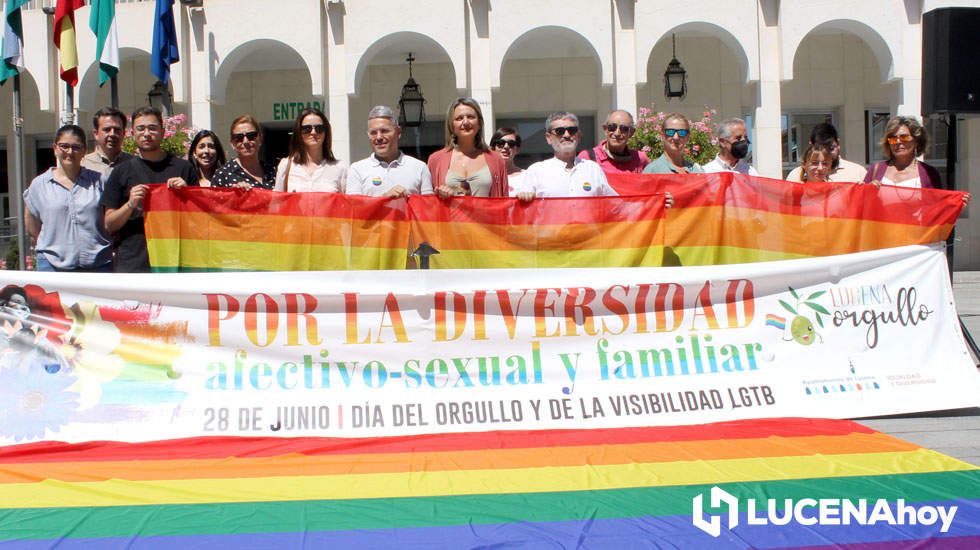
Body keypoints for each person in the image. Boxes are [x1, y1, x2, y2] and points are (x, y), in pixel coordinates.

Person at [101, 106, 197, 273]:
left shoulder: (184, 169)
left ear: (163, 131)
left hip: (174, 262)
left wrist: (187, 195)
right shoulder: (120, 172)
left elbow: (198, 221)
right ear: (132, 133)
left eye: (152, 128)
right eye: (140, 128)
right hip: (133, 264)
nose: (146, 133)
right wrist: (130, 204)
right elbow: (109, 224)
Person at [24, 125, 112, 272]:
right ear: (55, 148)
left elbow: (109, 218)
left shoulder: (99, 181)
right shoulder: (39, 185)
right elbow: (32, 223)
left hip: (97, 264)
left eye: (76, 147)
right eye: (64, 146)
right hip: (52, 265)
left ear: (84, 151)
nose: (70, 152)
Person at [512, 111, 617, 201]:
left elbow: (614, 204)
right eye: (559, 131)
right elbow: (520, 207)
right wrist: (524, 196)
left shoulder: (593, 169)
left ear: (579, 136)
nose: (566, 135)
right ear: (548, 138)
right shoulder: (536, 171)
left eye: (572, 130)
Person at [427, 98, 508, 197]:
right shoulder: (436, 160)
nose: (465, 122)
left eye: (470, 117)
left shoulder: (496, 160)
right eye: (459, 118)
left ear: (479, 123)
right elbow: (428, 203)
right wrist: (439, 195)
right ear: (451, 125)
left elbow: (505, 203)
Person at [347, 106, 431, 197]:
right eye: (373, 133)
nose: (378, 137)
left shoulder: (419, 168)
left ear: (398, 132)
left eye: (384, 131)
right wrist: (385, 198)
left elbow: (428, 207)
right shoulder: (357, 170)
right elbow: (353, 208)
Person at [274, 108, 347, 193]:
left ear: (326, 132)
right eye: (307, 129)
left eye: (319, 128)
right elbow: (277, 203)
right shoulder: (286, 166)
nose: (313, 132)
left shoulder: (340, 168)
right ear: (299, 132)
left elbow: (346, 204)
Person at [863, 116, 940, 189]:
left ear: (917, 141)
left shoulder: (930, 173)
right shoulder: (876, 169)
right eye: (893, 138)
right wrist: (867, 190)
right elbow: (862, 200)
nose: (898, 142)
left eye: (904, 137)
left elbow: (937, 202)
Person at [785, 123, 866, 182]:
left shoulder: (857, 172)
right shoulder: (796, 176)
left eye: (830, 148)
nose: (825, 154)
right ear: (811, 145)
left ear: (838, 144)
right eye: (820, 148)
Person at [212, 115, 277, 190]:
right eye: (239, 138)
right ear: (232, 144)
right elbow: (213, 201)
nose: (246, 141)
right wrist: (233, 195)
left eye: (251, 136)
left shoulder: (272, 171)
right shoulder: (222, 175)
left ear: (260, 139)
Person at [578, 110, 649, 173]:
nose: (617, 133)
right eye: (612, 127)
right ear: (605, 129)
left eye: (624, 129)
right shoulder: (587, 158)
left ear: (631, 133)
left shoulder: (640, 159)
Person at [81, 107, 132, 176]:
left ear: (124, 133)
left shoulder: (134, 164)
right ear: (96, 134)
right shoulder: (83, 165)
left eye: (117, 130)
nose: (112, 134)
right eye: (107, 129)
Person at [490, 127, 525, 193]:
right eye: (500, 143)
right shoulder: (485, 178)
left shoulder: (526, 176)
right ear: (492, 148)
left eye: (511, 143)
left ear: (517, 149)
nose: (506, 146)